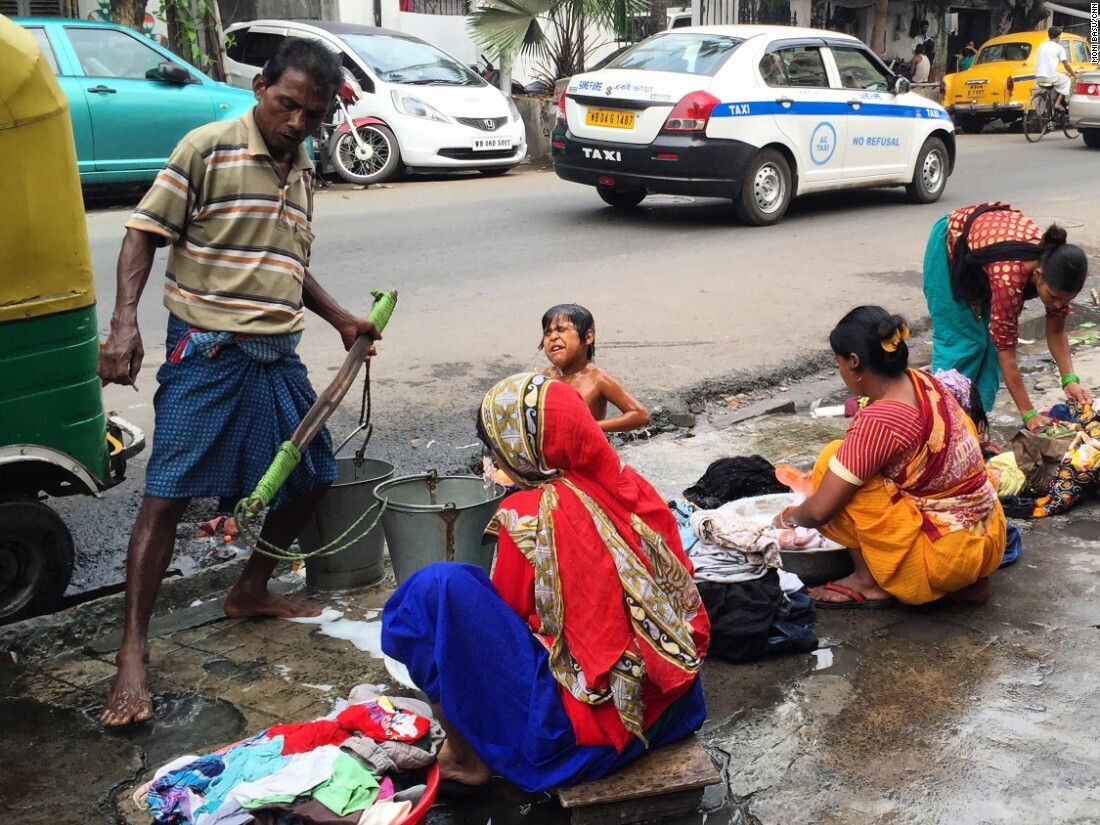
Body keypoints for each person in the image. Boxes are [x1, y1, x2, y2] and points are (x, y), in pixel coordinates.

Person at [96, 38, 381, 727]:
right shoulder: (208, 146)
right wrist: (125, 322)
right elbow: (141, 234)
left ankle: (249, 588)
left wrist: (342, 316)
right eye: (285, 105)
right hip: (207, 346)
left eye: (311, 115)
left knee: (310, 474)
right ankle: (132, 651)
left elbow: (281, 259)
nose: (294, 123)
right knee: (167, 495)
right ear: (259, 86)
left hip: (276, 349)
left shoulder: (302, 164)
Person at [381, 373, 709, 792]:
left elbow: (509, 616)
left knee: (434, 592)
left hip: (586, 740)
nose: (497, 462)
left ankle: (465, 758)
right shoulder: (630, 484)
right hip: (672, 708)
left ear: (524, 450)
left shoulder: (530, 514)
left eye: (498, 451)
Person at [771, 307, 1007, 609]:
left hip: (945, 557)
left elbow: (819, 512)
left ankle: (867, 583)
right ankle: (968, 583)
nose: (841, 372)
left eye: (839, 364)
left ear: (854, 362)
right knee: (852, 463)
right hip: (990, 537)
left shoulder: (880, 420)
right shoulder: (928, 383)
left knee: (833, 460)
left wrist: (786, 519)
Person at [921, 201, 1090, 429]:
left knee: (989, 346)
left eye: (1065, 300)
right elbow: (1007, 355)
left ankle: (976, 426)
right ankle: (941, 426)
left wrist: (1069, 380)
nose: (1058, 304)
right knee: (964, 343)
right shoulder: (1010, 278)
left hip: (985, 260)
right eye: (1054, 297)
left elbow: (1057, 330)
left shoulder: (1054, 273)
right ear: (1038, 275)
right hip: (949, 243)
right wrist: (1029, 414)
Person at [540, 303, 650, 433]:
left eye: (561, 330)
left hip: (585, 449)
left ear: (588, 337)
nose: (552, 337)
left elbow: (640, 415)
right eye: (547, 333)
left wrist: (590, 427)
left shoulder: (597, 378)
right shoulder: (547, 375)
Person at [1035, 26, 1077, 112]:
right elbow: (1066, 65)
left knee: (1039, 93)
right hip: (1050, 76)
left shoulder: (1041, 47)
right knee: (1066, 80)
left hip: (1039, 76)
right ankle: (1057, 104)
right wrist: (1074, 75)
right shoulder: (1059, 48)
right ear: (1058, 37)